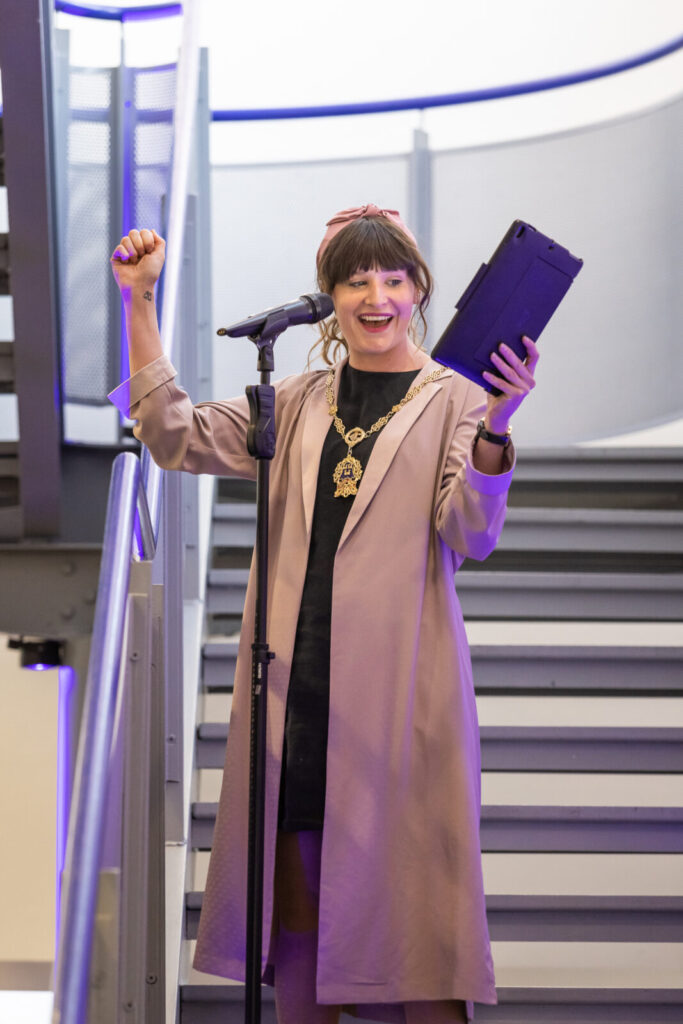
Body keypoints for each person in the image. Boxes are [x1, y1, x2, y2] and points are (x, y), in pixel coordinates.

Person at [109, 204, 539, 1024]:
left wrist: (498, 423)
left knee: (425, 942)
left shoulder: (454, 397)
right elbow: (172, 436)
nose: (375, 295)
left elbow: (470, 534)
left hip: (400, 703)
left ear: (418, 290)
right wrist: (139, 301)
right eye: (355, 280)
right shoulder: (297, 398)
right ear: (329, 296)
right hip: (295, 698)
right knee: (299, 934)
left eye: (393, 278)